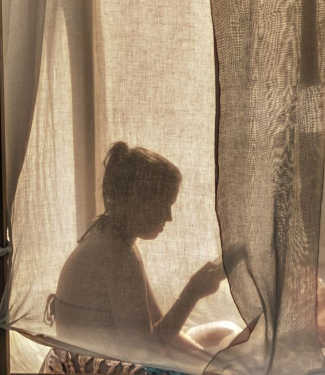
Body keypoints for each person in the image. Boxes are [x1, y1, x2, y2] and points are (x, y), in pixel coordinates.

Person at [41, 142, 229, 373]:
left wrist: (214, 365)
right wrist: (192, 292)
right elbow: (147, 351)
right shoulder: (114, 255)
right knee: (228, 344)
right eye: (163, 206)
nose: (169, 217)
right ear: (134, 201)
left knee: (224, 332)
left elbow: (161, 327)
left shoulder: (116, 238)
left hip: (116, 360)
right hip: (95, 368)